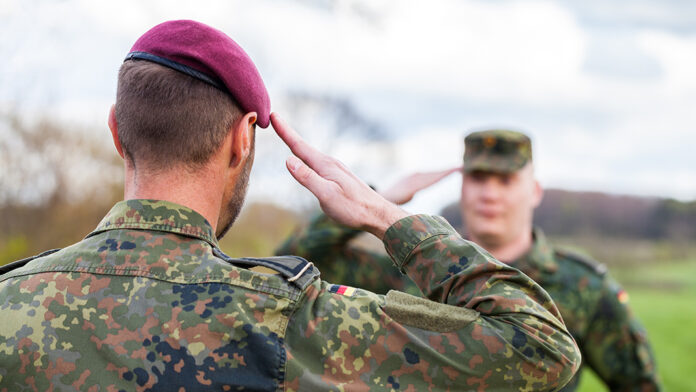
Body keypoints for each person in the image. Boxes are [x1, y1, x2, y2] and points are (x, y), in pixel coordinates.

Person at [0, 21, 581, 391]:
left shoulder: (10, 302)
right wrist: (388, 217)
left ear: (116, 131)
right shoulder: (284, 318)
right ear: (242, 140)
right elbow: (540, 347)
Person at [279, 129, 660, 391]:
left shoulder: (583, 287)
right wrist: (381, 201)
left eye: (505, 180)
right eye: (478, 178)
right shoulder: (407, 268)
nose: (489, 193)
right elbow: (290, 264)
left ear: (535, 191)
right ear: (462, 188)